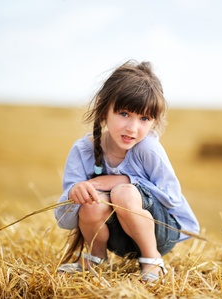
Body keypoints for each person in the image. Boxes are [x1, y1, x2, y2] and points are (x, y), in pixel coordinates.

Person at [54, 60, 199, 282]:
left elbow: (172, 198)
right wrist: (75, 194)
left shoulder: (148, 148)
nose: (132, 128)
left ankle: (153, 262)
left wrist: (123, 180)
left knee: (123, 192)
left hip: (159, 234)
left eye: (144, 118)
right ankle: (95, 260)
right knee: (91, 205)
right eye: (123, 114)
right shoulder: (83, 150)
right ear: (104, 109)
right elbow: (63, 220)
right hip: (118, 239)